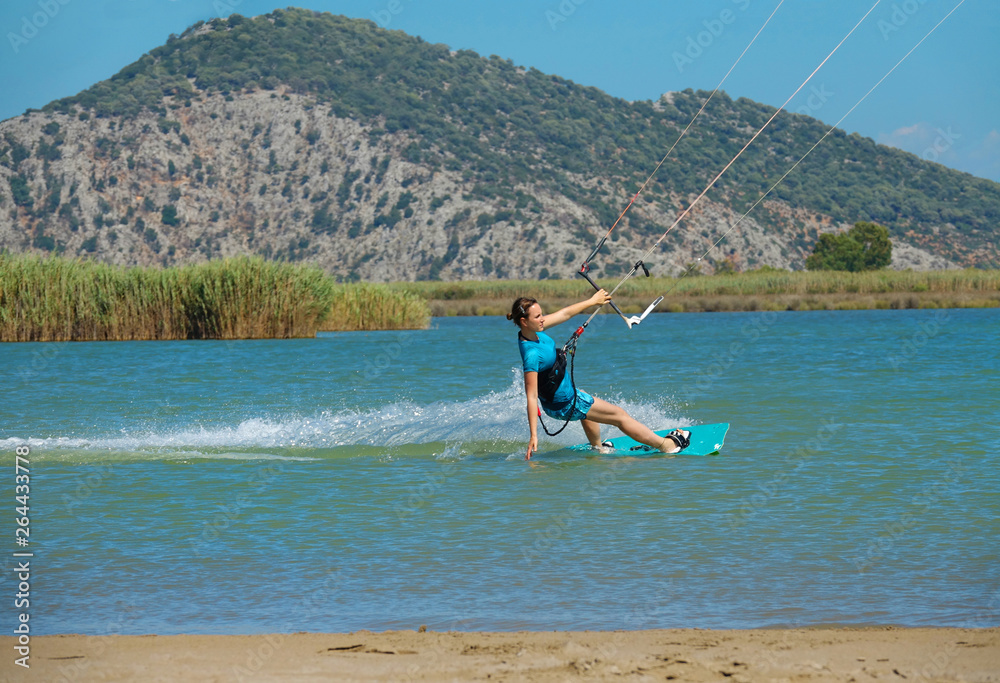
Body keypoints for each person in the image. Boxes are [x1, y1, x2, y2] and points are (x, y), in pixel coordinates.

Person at [508, 290, 690, 460]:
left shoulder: (533, 331)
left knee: (587, 407)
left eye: (542, 314)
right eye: (538, 316)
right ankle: (665, 445)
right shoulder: (531, 355)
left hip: (565, 397)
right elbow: (531, 397)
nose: (543, 319)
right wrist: (533, 435)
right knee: (619, 416)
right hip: (564, 403)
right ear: (524, 321)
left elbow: (565, 314)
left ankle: (598, 448)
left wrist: (592, 301)